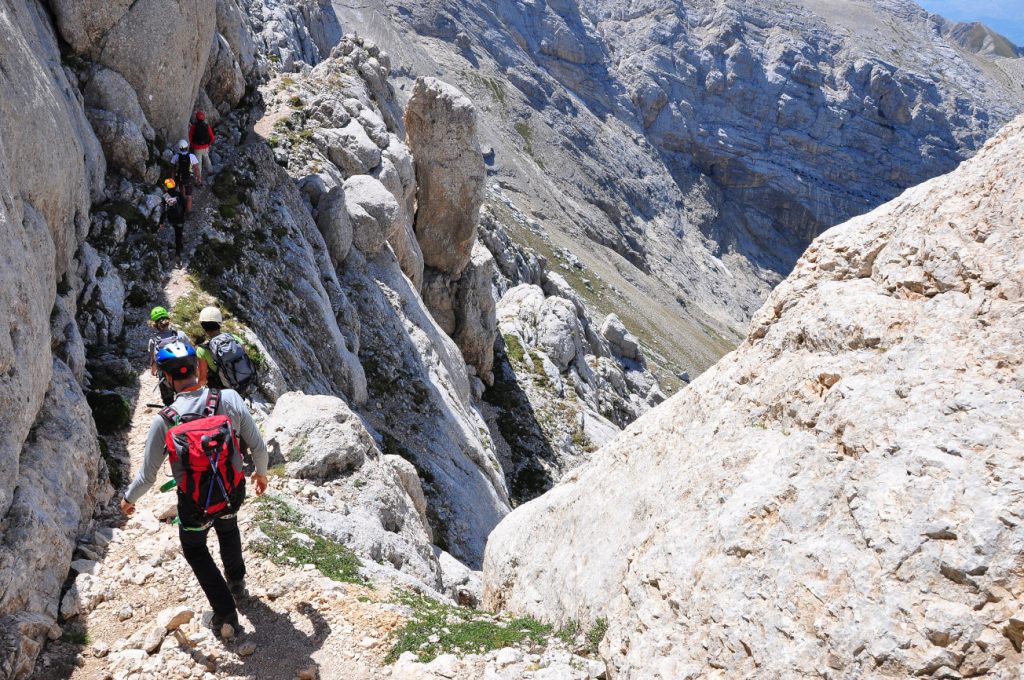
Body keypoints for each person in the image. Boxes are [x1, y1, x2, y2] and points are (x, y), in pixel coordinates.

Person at [121, 341, 270, 634]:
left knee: (195, 550)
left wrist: (129, 499)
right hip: (231, 489)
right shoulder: (229, 399)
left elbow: (147, 477)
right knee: (228, 527)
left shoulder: (165, 420)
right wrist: (261, 474)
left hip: (195, 502)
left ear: (166, 377)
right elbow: (258, 447)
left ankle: (226, 614)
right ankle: (237, 583)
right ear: (198, 368)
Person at [147, 306, 189, 406]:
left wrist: (153, 370)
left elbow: (154, 360)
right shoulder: (180, 335)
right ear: (168, 320)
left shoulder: (153, 340)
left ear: (154, 324)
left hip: (165, 375)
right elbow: (190, 351)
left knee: (168, 401)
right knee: (185, 397)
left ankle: (172, 416)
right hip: (183, 371)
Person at [158, 178, 187, 262]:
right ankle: (178, 253)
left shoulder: (165, 196)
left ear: (167, 186)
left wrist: (161, 222)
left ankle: (177, 248)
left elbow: (163, 211)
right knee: (179, 235)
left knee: (174, 233)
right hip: (180, 219)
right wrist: (184, 216)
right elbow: (184, 206)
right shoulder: (179, 194)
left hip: (171, 219)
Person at [172, 139, 201, 212]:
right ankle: (188, 212)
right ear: (187, 147)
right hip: (189, 178)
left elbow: (172, 169)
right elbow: (196, 169)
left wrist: (173, 179)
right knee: (189, 196)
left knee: (182, 191)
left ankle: (183, 206)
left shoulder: (175, 156)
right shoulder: (192, 156)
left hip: (179, 177)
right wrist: (198, 178)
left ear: (179, 148)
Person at [189, 111, 215, 175]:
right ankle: (210, 171)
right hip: (206, 146)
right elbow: (212, 137)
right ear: (203, 118)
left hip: (197, 147)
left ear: (196, 118)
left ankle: (198, 178)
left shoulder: (194, 127)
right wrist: (208, 144)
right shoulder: (207, 126)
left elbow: (190, 136)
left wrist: (192, 144)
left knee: (198, 162)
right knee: (206, 158)